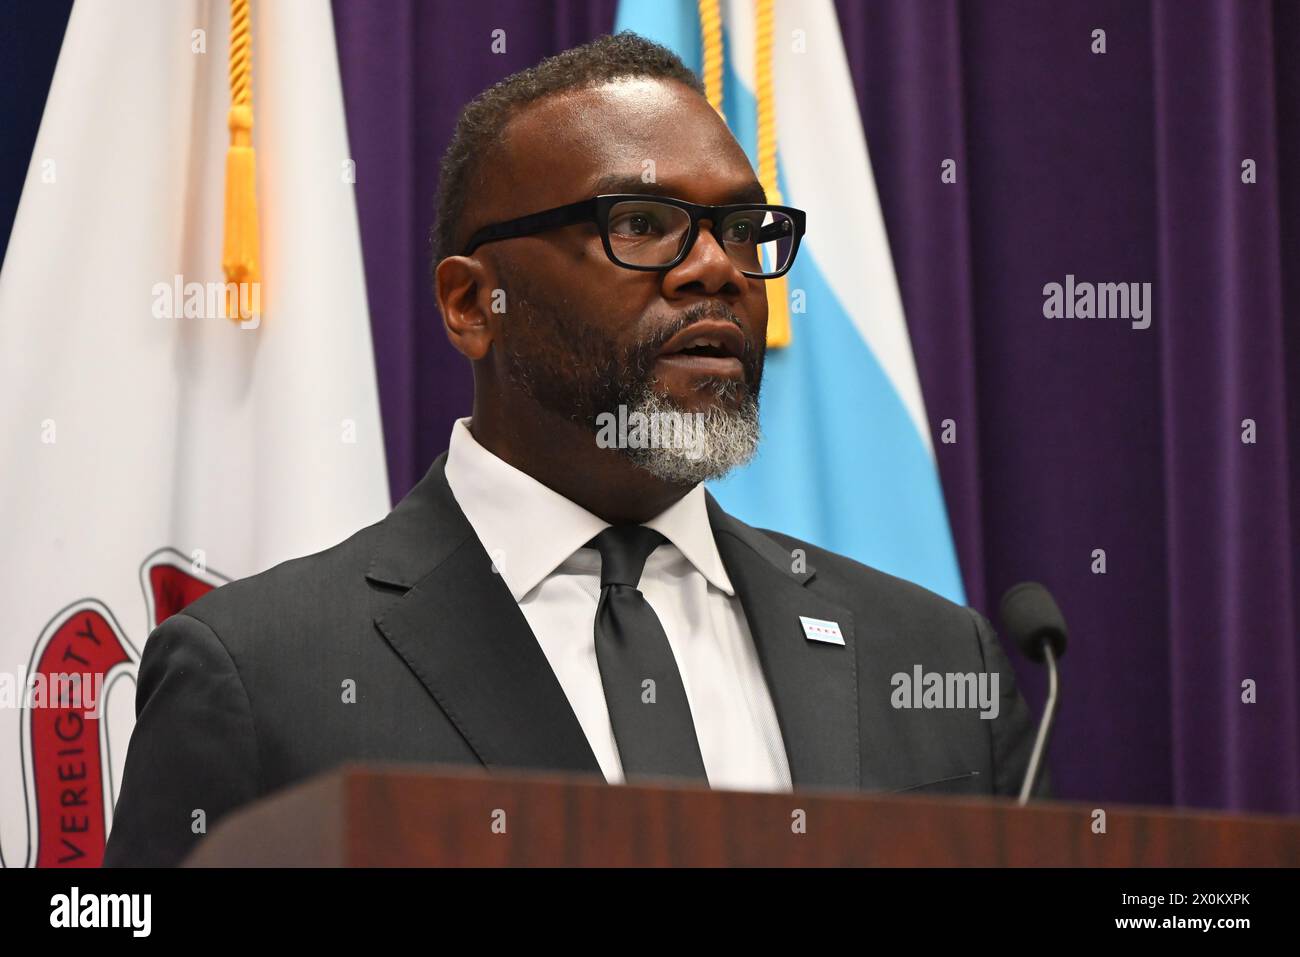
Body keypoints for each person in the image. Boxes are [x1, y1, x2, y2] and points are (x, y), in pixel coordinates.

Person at [104, 31, 1042, 867]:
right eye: (640, 224)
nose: (715, 266)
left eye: (744, 229)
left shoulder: (924, 654)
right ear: (472, 304)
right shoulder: (263, 676)